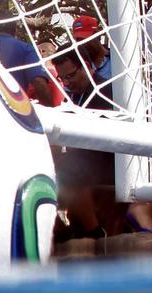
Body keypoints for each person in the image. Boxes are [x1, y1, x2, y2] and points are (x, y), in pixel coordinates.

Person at [51, 50, 115, 240]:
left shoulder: (105, 91)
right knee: (50, 163)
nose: (67, 82)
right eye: (62, 79)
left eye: (70, 76)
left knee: (68, 169)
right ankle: (58, 225)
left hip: (110, 159)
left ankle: (94, 232)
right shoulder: (74, 96)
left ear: (86, 67)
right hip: (87, 157)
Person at [0, 31, 57, 106]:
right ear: (15, 30)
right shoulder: (27, 49)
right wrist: (50, 108)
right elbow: (38, 81)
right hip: (15, 106)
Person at [69, 15, 112, 84]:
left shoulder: (115, 59)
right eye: (78, 40)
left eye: (85, 39)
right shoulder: (79, 67)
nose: (82, 44)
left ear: (97, 34)